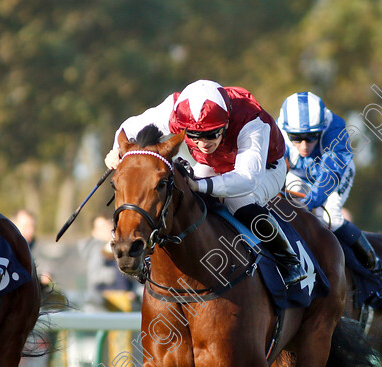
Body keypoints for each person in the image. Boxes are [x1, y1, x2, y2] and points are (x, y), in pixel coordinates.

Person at [104, 79, 305, 286]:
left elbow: (247, 179)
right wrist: (116, 152)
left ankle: (288, 258)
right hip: (213, 164)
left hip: (265, 170)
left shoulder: (251, 121)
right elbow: (128, 129)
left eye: (211, 134)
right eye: (194, 136)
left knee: (238, 201)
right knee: (182, 196)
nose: (202, 143)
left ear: (226, 123)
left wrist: (201, 185)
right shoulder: (174, 111)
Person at [277, 91, 382, 295]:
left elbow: (329, 175)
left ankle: (377, 271)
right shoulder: (278, 129)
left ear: (321, 130)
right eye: (296, 138)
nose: (304, 146)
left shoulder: (335, 130)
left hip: (334, 172)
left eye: (311, 137)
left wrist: (314, 198)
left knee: (330, 217)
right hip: (299, 173)